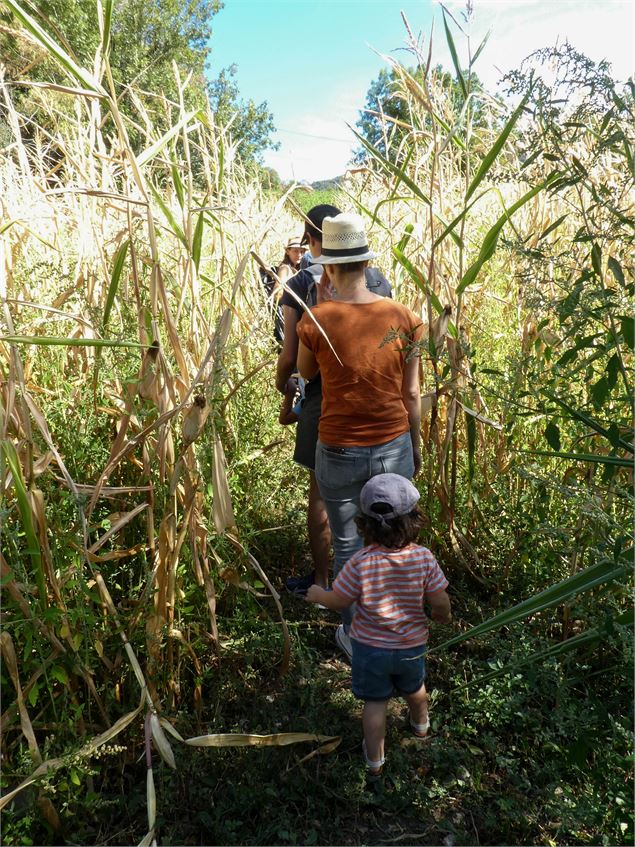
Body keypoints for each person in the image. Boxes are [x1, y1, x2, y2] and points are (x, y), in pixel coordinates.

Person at [295, 212, 423, 660]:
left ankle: (357, 635)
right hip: (393, 444)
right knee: (397, 537)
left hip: (338, 447)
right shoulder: (405, 317)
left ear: (327, 267)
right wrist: (416, 445)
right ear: (367, 264)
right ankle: (400, 624)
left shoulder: (316, 320)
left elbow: (306, 374)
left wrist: (322, 306)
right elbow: (411, 393)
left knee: (349, 542)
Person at [276, 205, 393, 597]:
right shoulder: (379, 280)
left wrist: (284, 391)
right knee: (376, 498)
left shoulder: (299, 284)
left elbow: (291, 359)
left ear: (312, 239)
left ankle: (326, 583)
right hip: (378, 404)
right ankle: (377, 587)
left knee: (323, 497)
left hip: (325, 404)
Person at [305, 473, 451, 778]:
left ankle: (374, 763)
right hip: (411, 646)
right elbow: (440, 600)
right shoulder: (424, 558)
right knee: (415, 690)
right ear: (414, 520)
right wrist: (441, 615)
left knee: (374, 705)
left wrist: (319, 593)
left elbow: (340, 600)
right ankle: (421, 728)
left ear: (365, 524)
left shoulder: (360, 561)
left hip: (371, 650)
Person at [262, 235, 305, 345]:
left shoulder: (299, 270)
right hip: (287, 316)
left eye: (302, 251)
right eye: (295, 251)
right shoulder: (285, 269)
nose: (299, 255)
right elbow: (277, 294)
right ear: (287, 251)